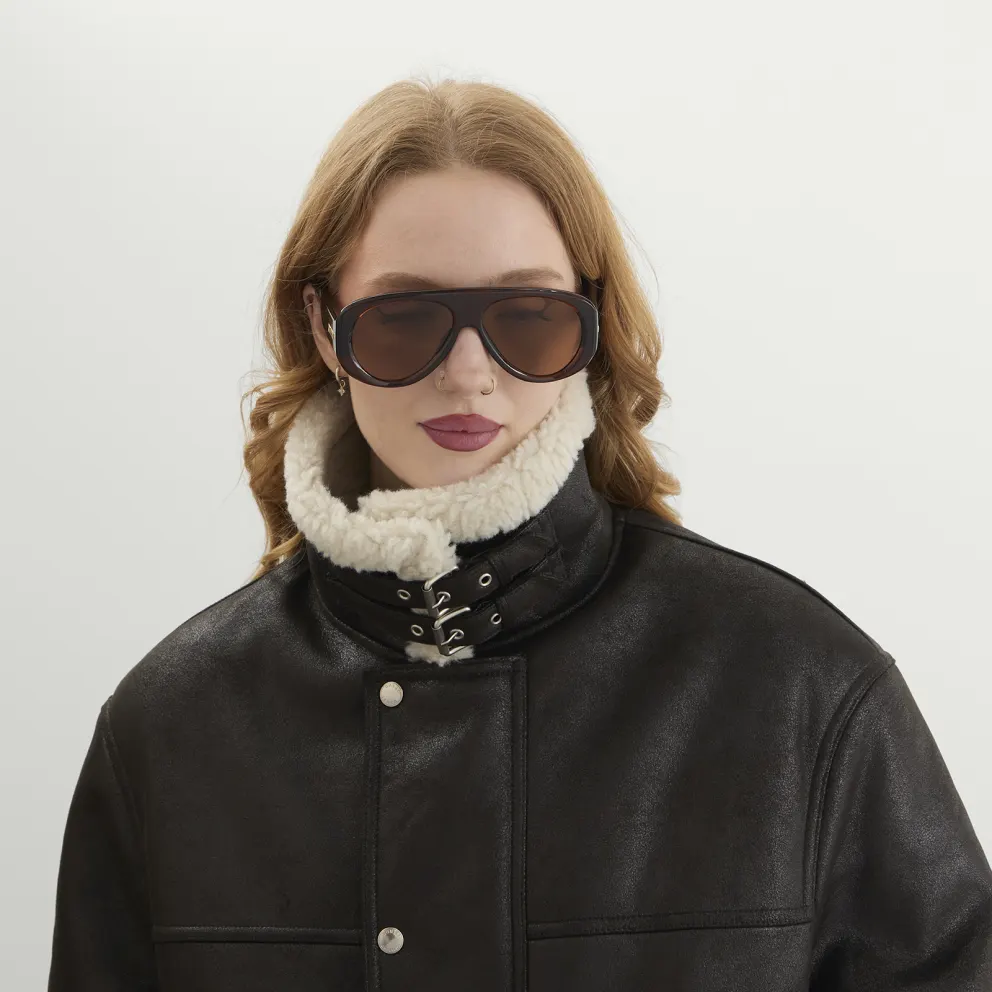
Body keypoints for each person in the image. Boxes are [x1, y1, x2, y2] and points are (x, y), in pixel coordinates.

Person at [48, 75, 992, 991]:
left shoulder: (800, 689)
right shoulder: (171, 727)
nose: (468, 373)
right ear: (326, 328)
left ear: (591, 324)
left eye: (529, 317)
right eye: (403, 317)